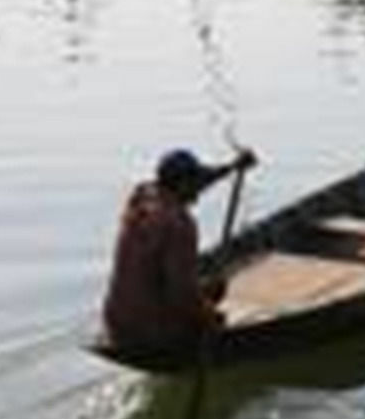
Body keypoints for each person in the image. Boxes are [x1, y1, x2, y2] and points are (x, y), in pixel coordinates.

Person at [100, 146, 257, 355]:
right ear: (182, 184)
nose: (197, 191)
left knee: (209, 289)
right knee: (212, 310)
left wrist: (231, 167)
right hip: (152, 333)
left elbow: (200, 180)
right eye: (193, 184)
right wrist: (209, 317)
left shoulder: (140, 200)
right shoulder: (179, 224)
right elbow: (181, 294)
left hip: (117, 326)